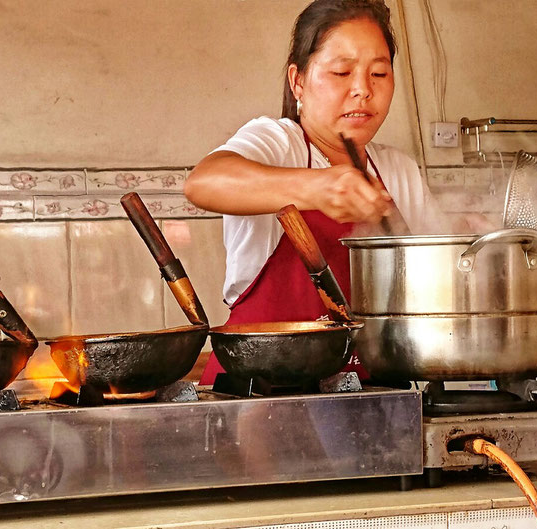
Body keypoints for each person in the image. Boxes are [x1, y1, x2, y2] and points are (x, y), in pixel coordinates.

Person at [185, 0, 448, 385]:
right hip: (261, 396)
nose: (362, 90)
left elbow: (442, 277)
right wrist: (317, 186)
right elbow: (204, 182)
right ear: (298, 82)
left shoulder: (398, 170)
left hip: (371, 396)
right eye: (341, 72)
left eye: (379, 72)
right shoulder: (279, 143)